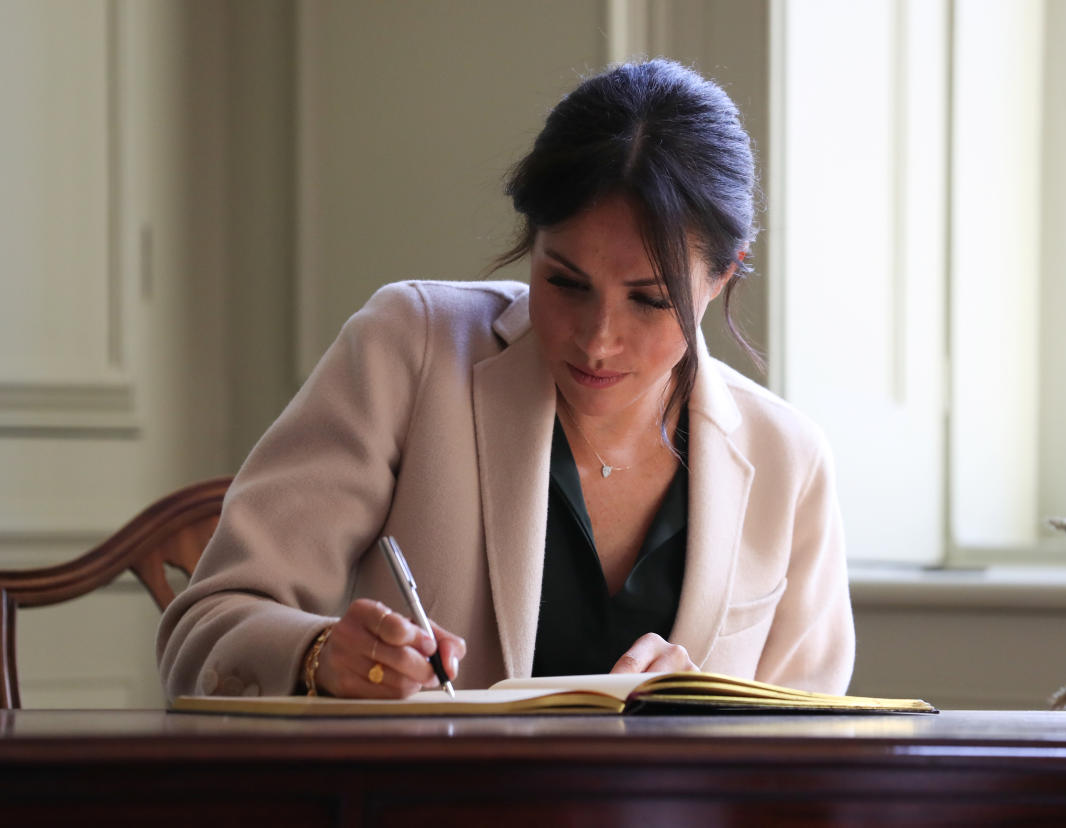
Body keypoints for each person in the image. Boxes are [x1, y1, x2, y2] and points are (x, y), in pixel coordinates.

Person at [157, 59, 854, 702]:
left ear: (723, 274)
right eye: (565, 282)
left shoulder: (786, 458)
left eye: (647, 299)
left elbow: (815, 752)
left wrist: (707, 719)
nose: (597, 339)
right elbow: (207, 626)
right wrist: (317, 655)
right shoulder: (411, 349)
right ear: (533, 241)